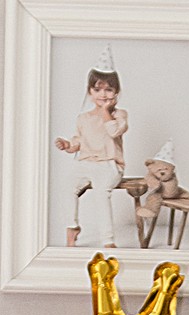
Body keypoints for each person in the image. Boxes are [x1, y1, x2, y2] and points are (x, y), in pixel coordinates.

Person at [55, 49, 128, 248]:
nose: (103, 94)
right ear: (90, 92)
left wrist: (105, 111)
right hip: (86, 163)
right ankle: (72, 227)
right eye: (97, 90)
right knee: (66, 187)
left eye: (108, 90)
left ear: (116, 93)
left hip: (109, 165)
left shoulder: (119, 115)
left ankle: (108, 240)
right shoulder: (83, 118)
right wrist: (68, 145)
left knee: (101, 194)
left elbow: (114, 131)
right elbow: (78, 142)